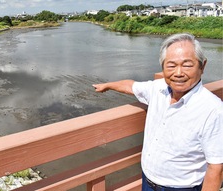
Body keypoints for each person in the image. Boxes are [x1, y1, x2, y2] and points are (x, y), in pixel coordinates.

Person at [93, 33, 223, 190]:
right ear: (163, 67)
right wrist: (108, 85)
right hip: (148, 181)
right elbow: (131, 86)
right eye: (171, 65)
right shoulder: (158, 88)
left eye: (187, 65)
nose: (179, 73)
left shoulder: (213, 110)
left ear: (203, 66)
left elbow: (216, 168)